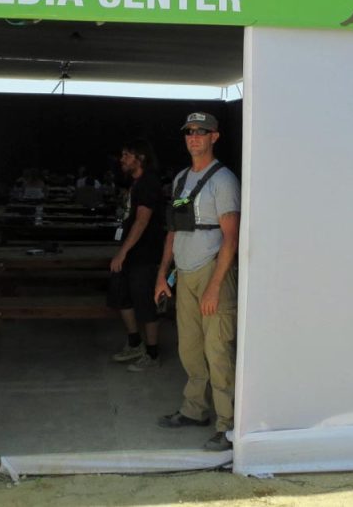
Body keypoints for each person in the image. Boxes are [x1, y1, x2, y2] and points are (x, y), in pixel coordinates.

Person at [154, 111, 240, 452]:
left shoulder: (224, 181)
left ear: (214, 137)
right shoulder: (181, 178)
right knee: (189, 348)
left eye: (201, 131)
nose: (194, 137)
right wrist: (163, 275)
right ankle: (194, 410)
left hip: (211, 271)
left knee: (217, 350)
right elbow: (173, 231)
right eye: (189, 131)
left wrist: (216, 286)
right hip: (185, 272)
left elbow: (231, 238)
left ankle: (227, 425)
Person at [108, 139, 166, 372]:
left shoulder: (149, 182)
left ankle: (152, 354)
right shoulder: (136, 184)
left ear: (140, 158)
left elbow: (142, 221)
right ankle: (135, 344)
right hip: (131, 253)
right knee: (121, 296)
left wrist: (122, 252)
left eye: (126, 155)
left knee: (146, 304)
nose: (122, 159)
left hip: (145, 254)